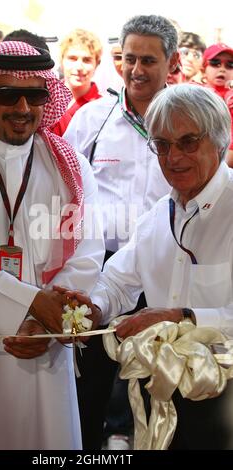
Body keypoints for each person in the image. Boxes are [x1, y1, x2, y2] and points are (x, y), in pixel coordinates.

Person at [0, 40, 104, 450]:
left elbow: (87, 250)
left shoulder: (69, 165)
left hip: (44, 346)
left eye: (36, 95)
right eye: (8, 94)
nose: (23, 108)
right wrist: (29, 305)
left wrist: (47, 318)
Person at [64, 83, 233, 449]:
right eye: (162, 145)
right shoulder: (158, 216)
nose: (173, 157)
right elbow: (116, 282)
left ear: (220, 141)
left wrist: (181, 316)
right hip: (162, 399)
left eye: (188, 142)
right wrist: (89, 308)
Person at [64, 14, 179, 449]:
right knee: (91, 382)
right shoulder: (92, 118)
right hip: (103, 269)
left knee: (161, 382)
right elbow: (67, 195)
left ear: (171, 63)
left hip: (166, 271)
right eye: (128, 58)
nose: (136, 70)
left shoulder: (185, 118)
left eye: (148, 60)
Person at [52, 28, 103, 136]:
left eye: (86, 60)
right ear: (61, 61)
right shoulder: (46, 99)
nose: (79, 67)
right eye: (72, 58)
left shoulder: (102, 109)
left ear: (97, 64)